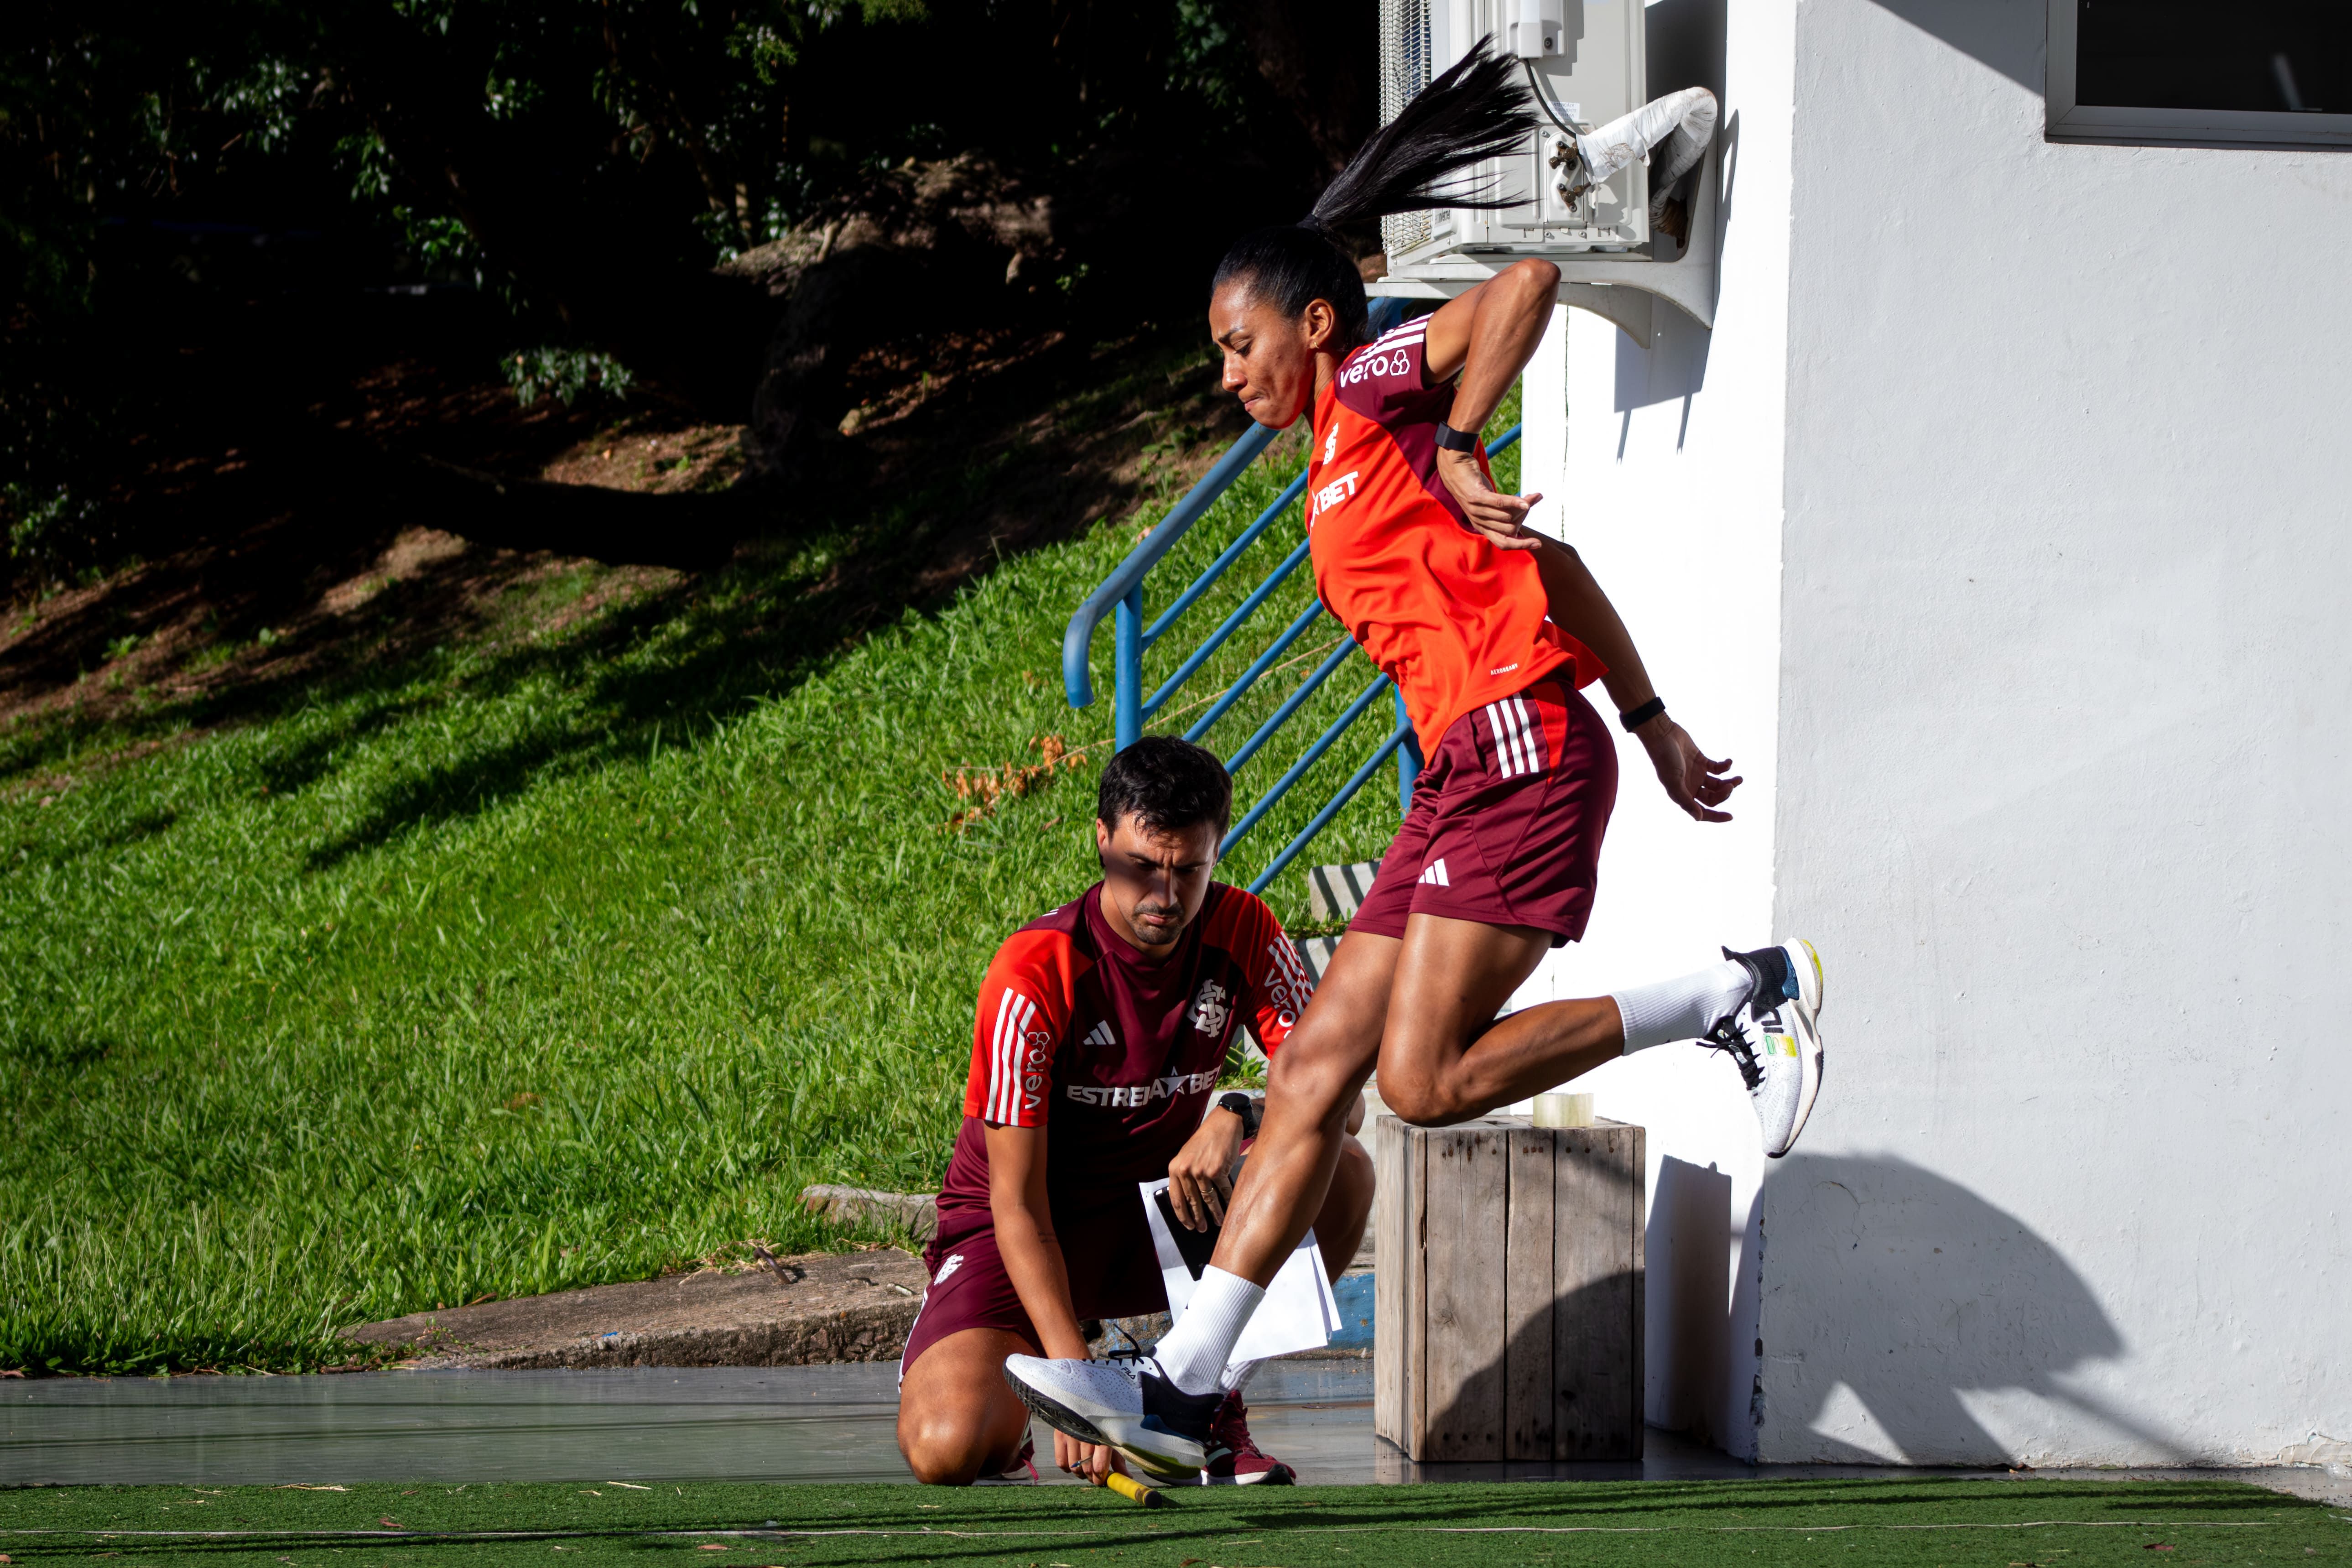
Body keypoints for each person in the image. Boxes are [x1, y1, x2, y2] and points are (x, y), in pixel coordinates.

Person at [1001, 42, 1825, 1480]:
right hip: (1471, 763)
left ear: (1313, 324)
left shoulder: (1376, 393)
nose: (1222, 371)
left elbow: (1522, 289)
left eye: (1236, 342)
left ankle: (1734, 992)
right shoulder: (1332, 455)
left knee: (1425, 1078)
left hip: (1515, 747)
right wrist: (1651, 719)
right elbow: (1548, 562)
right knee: (1317, 1064)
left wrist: (1449, 433)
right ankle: (1188, 1390)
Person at [895, 735, 1373, 1487]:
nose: (1166, 896)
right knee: (947, 1447)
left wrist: (1240, 1112)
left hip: (1159, 1213)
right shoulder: (1033, 972)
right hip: (1021, 1229)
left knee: (1341, 1172)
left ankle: (1205, 1401)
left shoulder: (1246, 926)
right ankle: (1045, 1383)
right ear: (1102, 840)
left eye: (1190, 870)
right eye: (1143, 867)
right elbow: (1016, 1202)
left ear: (1216, 851)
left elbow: (1340, 1103)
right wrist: (1075, 1385)